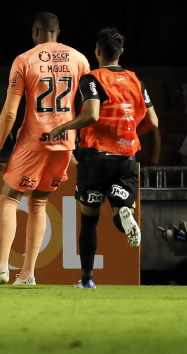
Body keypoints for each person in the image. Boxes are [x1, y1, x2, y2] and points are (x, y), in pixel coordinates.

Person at [0, 12, 90, 286]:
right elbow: (88, 108)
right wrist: (77, 144)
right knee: (39, 204)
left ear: (35, 32)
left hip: (33, 141)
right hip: (64, 143)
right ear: (58, 32)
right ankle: (27, 274)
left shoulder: (24, 60)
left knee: (9, 199)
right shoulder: (80, 60)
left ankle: (1, 267)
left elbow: (9, 113)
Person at [49, 27, 158, 288]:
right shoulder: (136, 81)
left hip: (96, 158)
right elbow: (152, 121)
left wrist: (63, 127)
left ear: (97, 52)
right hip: (126, 158)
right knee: (121, 209)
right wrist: (130, 132)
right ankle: (124, 216)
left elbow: (93, 115)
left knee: (89, 220)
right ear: (121, 52)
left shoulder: (91, 79)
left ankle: (87, 280)